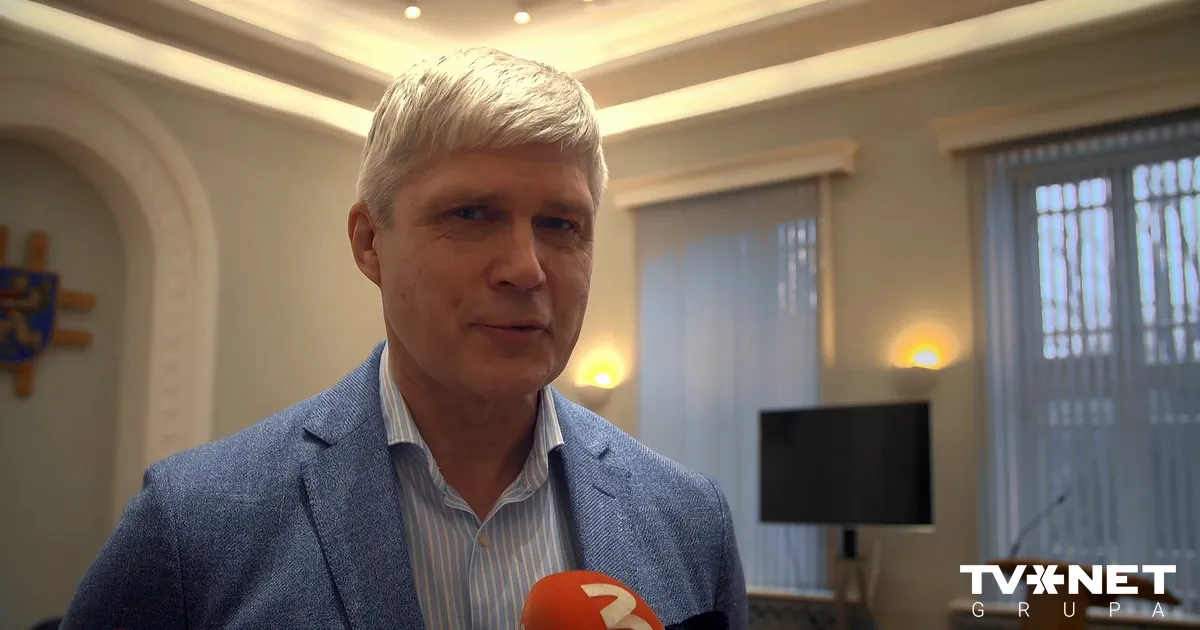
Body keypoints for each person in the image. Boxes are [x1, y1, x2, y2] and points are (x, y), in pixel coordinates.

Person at [62, 47, 747, 630]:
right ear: (370, 243)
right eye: (471, 214)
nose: (526, 268)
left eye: (561, 224)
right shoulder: (192, 525)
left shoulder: (689, 520)